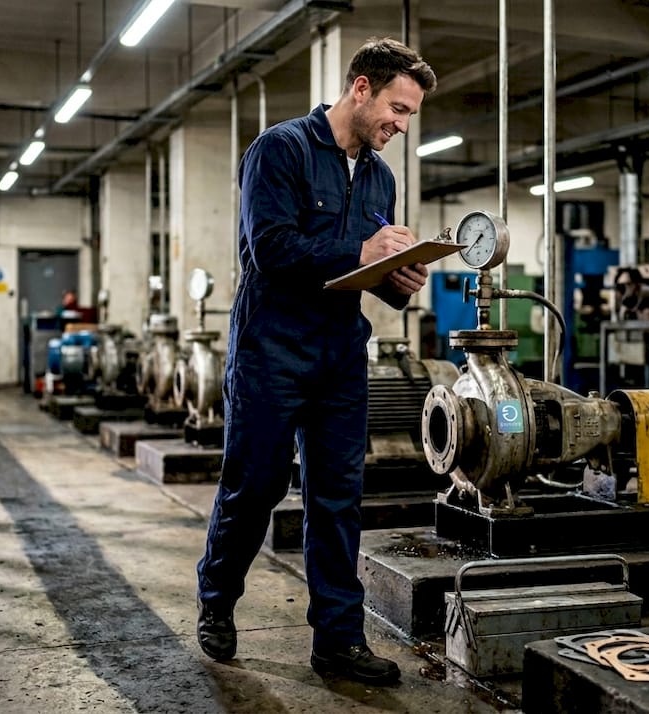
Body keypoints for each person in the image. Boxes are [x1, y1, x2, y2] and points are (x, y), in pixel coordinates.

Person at [195, 37, 436, 685]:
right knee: (255, 488)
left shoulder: (380, 177)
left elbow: (367, 270)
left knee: (338, 499)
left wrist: (399, 279)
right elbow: (269, 250)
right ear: (361, 88)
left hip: (339, 356)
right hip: (270, 351)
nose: (401, 125)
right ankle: (216, 598)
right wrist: (361, 252)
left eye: (410, 115)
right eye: (397, 108)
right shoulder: (280, 150)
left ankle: (338, 639)